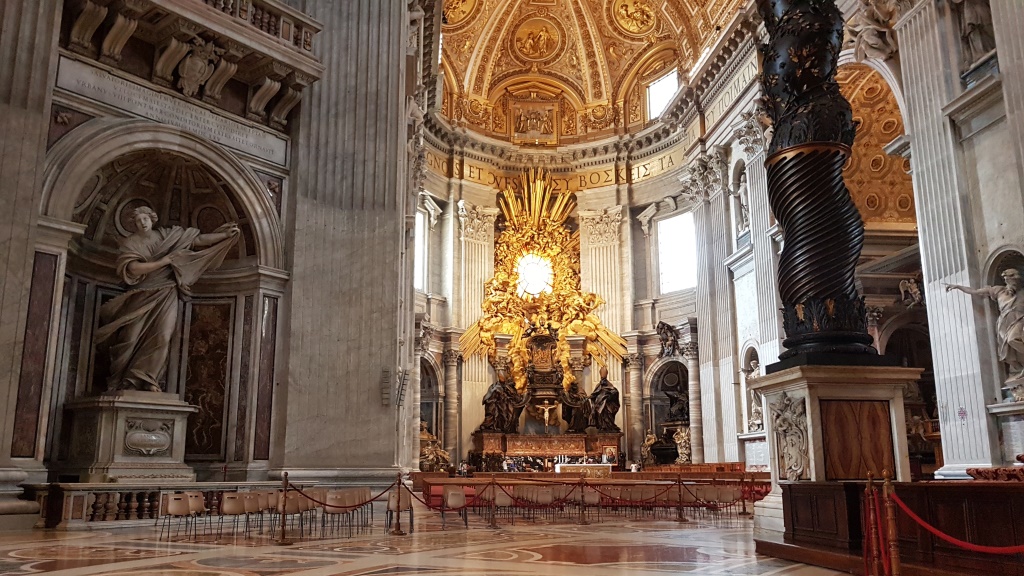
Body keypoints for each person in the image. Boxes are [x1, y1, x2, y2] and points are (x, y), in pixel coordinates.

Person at [95, 206, 239, 392]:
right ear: (133, 224)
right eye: (138, 220)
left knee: (163, 336)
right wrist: (163, 262)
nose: (142, 223)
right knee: (130, 338)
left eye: (145, 218)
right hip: (141, 294)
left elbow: (197, 240)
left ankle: (147, 379)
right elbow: (132, 269)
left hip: (167, 293)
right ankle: (123, 380)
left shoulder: (168, 235)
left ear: (152, 219)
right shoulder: (130, 243)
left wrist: (223, 235)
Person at [947, 269, 1024, 383]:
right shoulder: (998, 290)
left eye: (1014, 279)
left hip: (1019, 319)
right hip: (1003, 323)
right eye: (1009, 279)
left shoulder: (1022, 292)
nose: (1013, 282)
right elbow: (976, 291)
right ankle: (1019, 369)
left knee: (1012, 339)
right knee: (1005, 352)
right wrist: (958, 286)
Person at [589, 366, 621, 432]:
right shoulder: (598, 385)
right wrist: (591, 397)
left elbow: (614, 391)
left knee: (607, 414)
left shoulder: (609, 384)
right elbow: (595, 393)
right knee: (600, 413)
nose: (602, 379)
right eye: (601, 377)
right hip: (599, 404)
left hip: (607, 404)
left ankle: (609, 426)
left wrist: (608, 397)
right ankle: (602, 426)